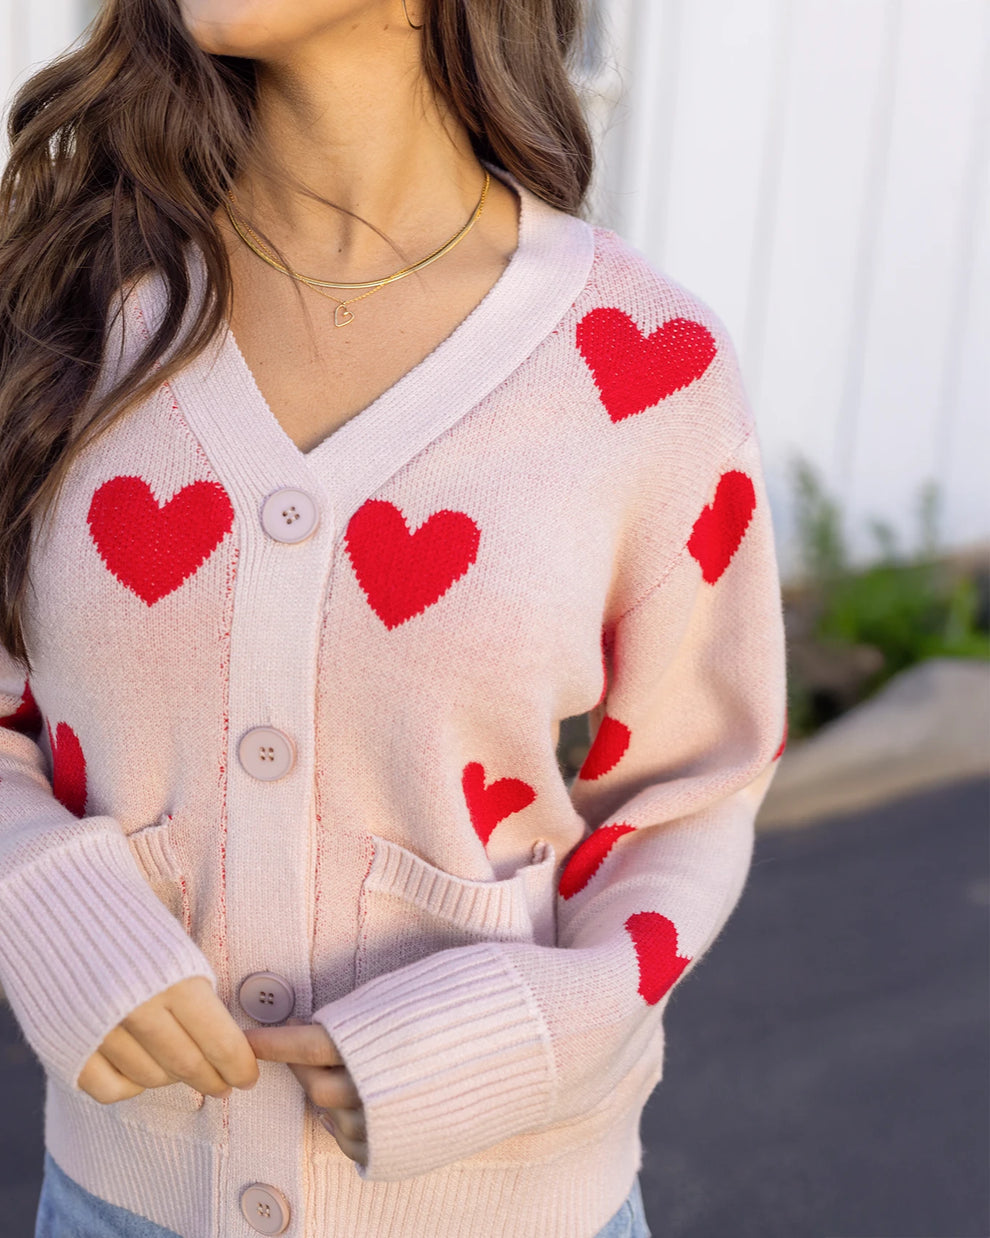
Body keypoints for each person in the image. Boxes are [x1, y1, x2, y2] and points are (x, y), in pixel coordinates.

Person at [0, 1, 788, 1235]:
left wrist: (533, 1029)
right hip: (116, 1200)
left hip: (512, 1199)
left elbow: (693, 789)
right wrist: (34, 887)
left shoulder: (643, 363)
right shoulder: (66, 307)